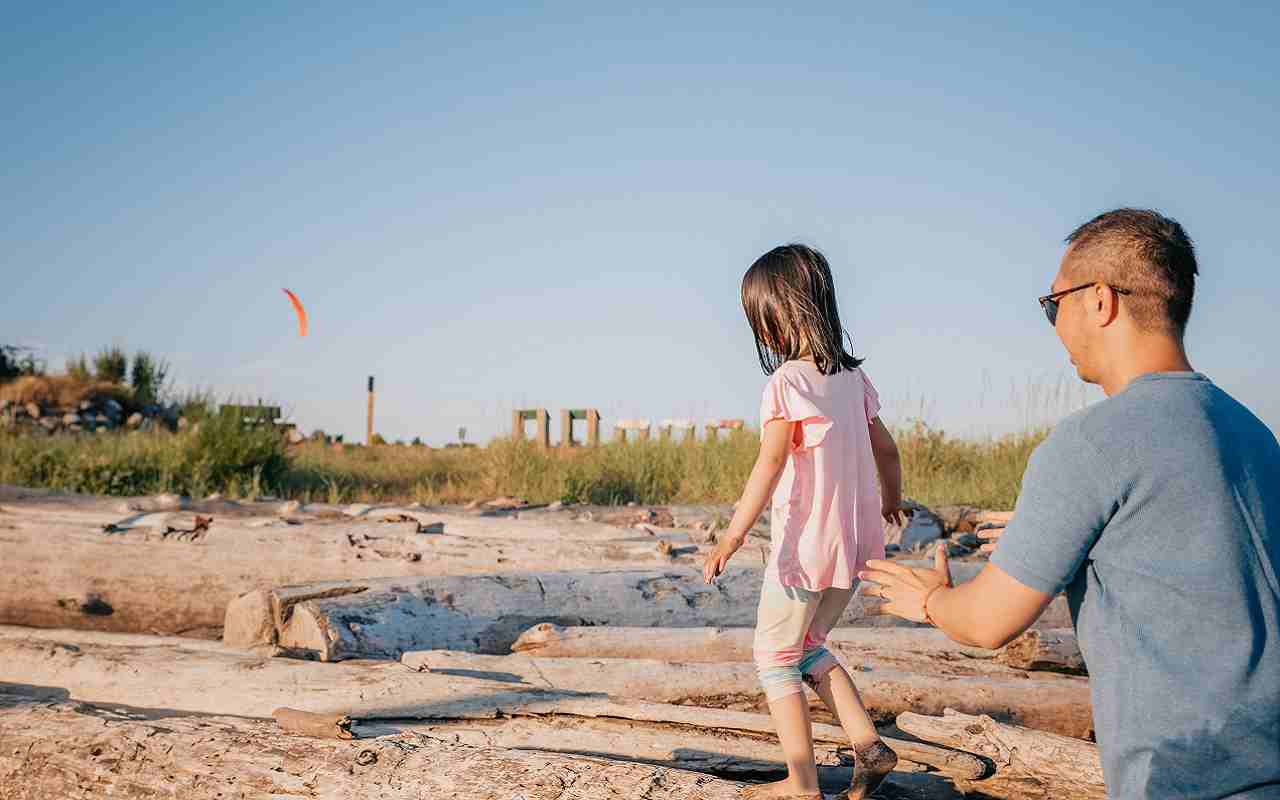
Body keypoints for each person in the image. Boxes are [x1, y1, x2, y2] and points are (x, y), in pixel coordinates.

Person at [860, 209, 1280, 798]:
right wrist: (1069, 542)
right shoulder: (1253, 432)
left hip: (1187, 776)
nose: (1054, 324)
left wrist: (929, 600)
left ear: (1100, 301)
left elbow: (987, 622)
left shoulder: (1091, 442)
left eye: (1053, 304)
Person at [703, 244, 905, 800]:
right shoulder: (853, 382)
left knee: (773, 656)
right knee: (810, 644)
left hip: (805, 550)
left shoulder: (786, 384)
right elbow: (886, 449)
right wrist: (892, 501)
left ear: (779, 318)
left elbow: (769, 463)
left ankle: (801, 783)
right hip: (856, 549)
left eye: (760, 321)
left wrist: (733, 535)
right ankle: (868, 744)